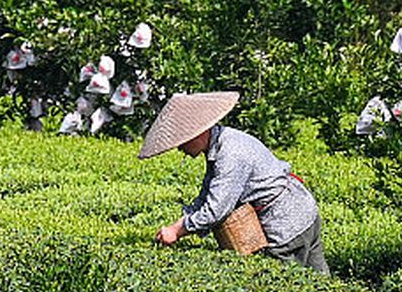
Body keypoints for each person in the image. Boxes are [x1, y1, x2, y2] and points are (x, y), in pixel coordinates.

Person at [139, 90, 328, 273]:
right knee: (322, 285)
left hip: (286, 223)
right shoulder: (221, 143)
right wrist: (179, 223)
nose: (180, 148)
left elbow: (216, 210)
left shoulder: (230, 153)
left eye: (182, 141)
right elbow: (208, 194)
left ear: (197, 132)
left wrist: (177, 231)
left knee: (286, 289)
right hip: (303, 210)